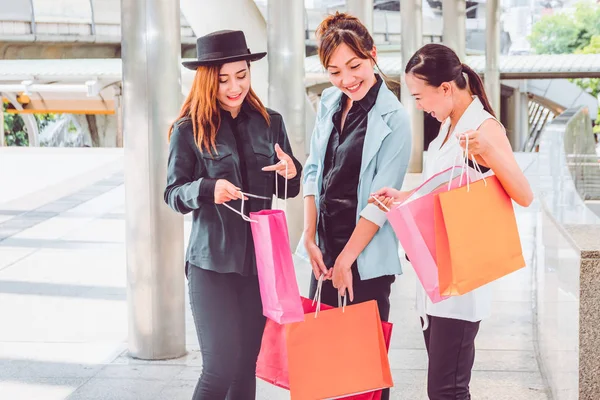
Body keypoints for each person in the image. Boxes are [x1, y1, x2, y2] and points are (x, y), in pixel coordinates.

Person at [371, 43, 533, 400]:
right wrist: (405, 199)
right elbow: (446, 188)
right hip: (438, 275)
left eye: (419, 96)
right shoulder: (447, 127)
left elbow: (524, 194)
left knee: (447, 390)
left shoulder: (483, 127)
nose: (418, 105)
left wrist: (488, 151)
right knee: (445, 388)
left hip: (462, 281)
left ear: (446, 88)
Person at [164, 30, 302, 400]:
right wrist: (208, 189)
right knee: (219, 367)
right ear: (208, 79)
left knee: (246, 368)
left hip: (260, 266)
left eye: (241, 75)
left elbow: (286, 189)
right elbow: (173, 194)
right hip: (211, 265)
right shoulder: (188, 129)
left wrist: (292, 172)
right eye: (223, 79)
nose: (234, 86)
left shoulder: (270, 121)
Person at [297, 12, 412, 399]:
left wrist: (346, 260)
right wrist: (309, 235)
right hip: (325, 255)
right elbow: (313, 170)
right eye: (334, 71)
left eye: (354, 66)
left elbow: (381, 202)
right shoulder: (330, 100)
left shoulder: (394, 117)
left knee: (363, 375)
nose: (346, 79)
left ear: (373, 55)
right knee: (325, 369)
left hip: (364, 259)